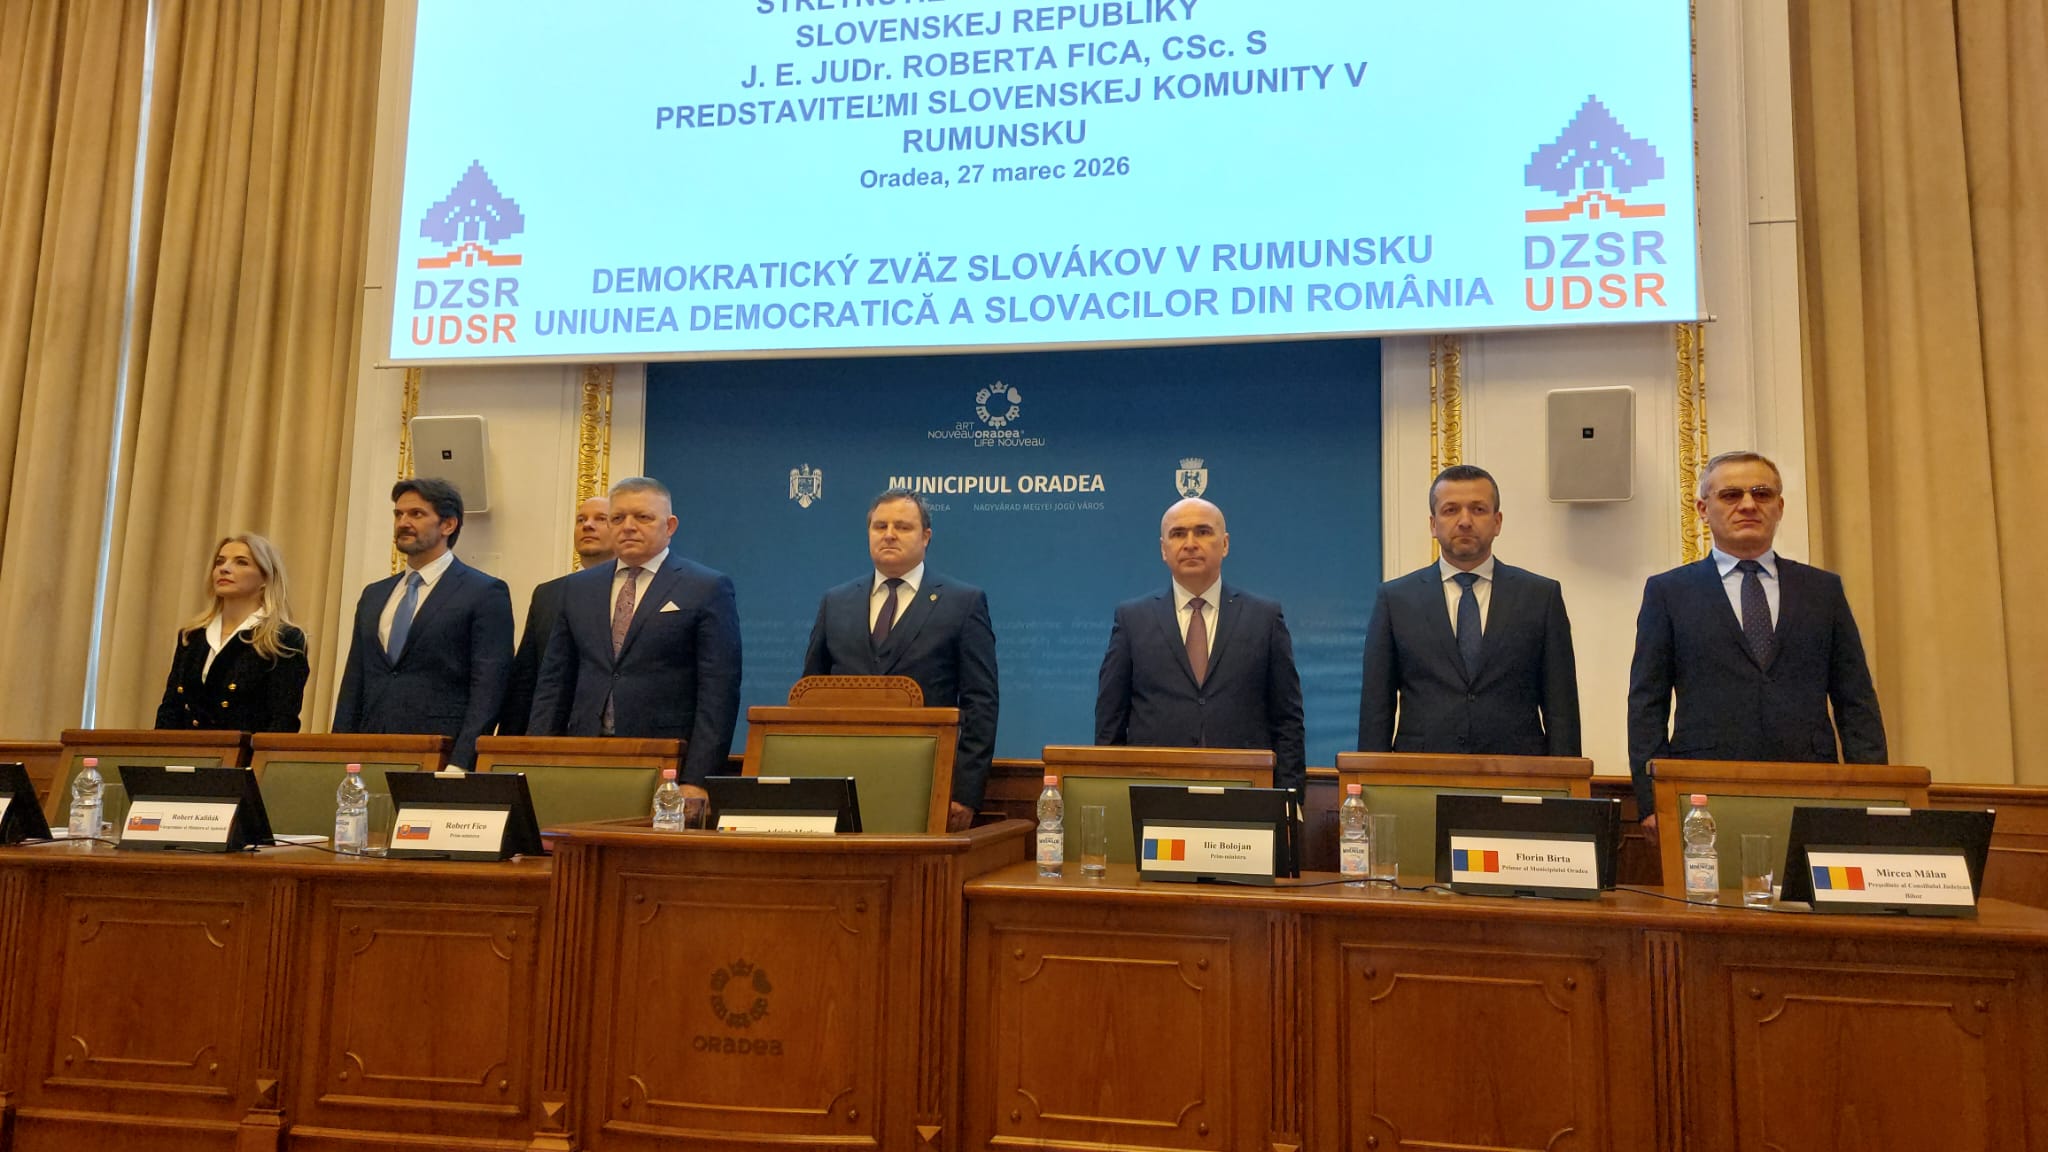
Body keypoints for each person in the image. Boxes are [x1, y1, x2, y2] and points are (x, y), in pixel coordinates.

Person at [1626, 450, 1887, 840]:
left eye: (1761, 494)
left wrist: (1875, 792)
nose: (1748, 505)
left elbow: (1856, 701)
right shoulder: (1669, 592)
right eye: (1731, 495)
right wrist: (1652, 800)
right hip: (1703, 788)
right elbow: (1647, 703)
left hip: (1811, 783)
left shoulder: (1822, 590)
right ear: (1703, 509)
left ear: (1779, 507)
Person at [529, 476, 742, 801]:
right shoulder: (578, 588)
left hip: (665, 758)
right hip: (583, 751)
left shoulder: (705, 587)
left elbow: (719, 692)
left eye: (642, 517)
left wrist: (697, 778)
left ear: (670, 526)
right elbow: (554, 682)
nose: (628, 527)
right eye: (617, 518)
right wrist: (535, 757)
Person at [803, 488, 999, 831]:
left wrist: (965, 793)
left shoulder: (962, 602)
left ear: (926, 537)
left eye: (903, 527)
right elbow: (810, 692)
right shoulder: (835, 602)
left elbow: (980, 703)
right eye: (880, 526)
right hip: (838, 779)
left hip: (925, 786)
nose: (889, 534)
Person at [1359, 464, 1580, 756]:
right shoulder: (1395, 599)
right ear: (1433, 524)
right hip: (1421, 769)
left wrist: (1565, 779)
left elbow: (1561, 708)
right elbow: (1376, 708)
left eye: (1478, 509)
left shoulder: (1540, 597)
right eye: (1451, 510)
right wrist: (1373, 777)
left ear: (1497, 522)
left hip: (1517, 769)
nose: (1465, 521)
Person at [1095, 497, 1306, 793]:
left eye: (1203, 532)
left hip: (1244, 793)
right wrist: (1110, 793)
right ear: (1163, 549)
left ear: (1225, 544)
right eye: (1178, 534)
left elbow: (1288, 721)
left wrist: (1289, 800)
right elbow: (1110, 721)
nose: (1190, 544)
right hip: (1155, 792)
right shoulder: (1132, 619)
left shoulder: (1264, 618)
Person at [333, 477, 514, 767]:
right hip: (369, 747)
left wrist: (462, 762)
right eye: (398, 514)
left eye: (416, 514)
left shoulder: (483, 592)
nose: (403, 522)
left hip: (440, 751)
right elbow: (354, 681)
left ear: (448, 525)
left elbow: (489, 688)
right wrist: (337, 753)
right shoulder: (374, 595)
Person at [155, 533, 311, 732]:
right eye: (220, 562)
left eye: (241, 562)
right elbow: (170, 710)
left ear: (266, 578)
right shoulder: (191, 636)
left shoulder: (282, 639)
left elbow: (282, 722)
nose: (224, 568)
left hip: (244, 751)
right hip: (186, 750)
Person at [500, 495, 613, 736]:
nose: (588, 525)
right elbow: (526, 676)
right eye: (581, 519)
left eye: (600, 519)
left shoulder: (634, 595)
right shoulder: (548, 594)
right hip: (553, 730)